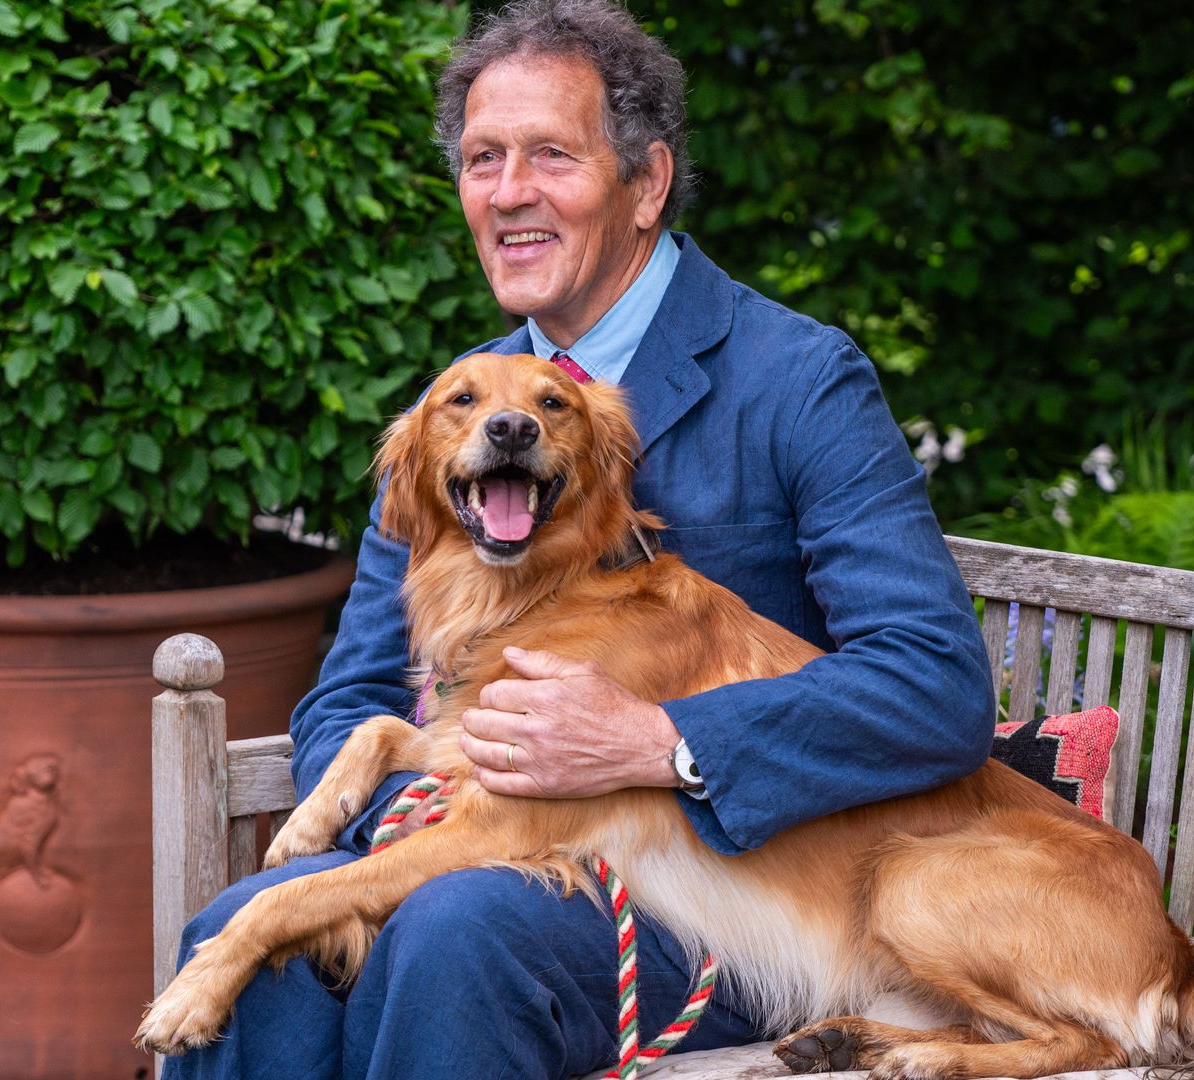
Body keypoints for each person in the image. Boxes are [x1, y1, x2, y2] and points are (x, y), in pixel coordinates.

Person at [166, 1, 992, 1076]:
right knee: (247, 931)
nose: (509, 192)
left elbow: (934, 683)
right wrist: (414, 821)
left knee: (454, 935)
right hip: (478, 845)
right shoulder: (458, 412)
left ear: (645, 183)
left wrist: (661, 745)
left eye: (551, 155)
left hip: (738, 901)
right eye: (482, 159)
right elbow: (351, 692)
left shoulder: (798, 380)